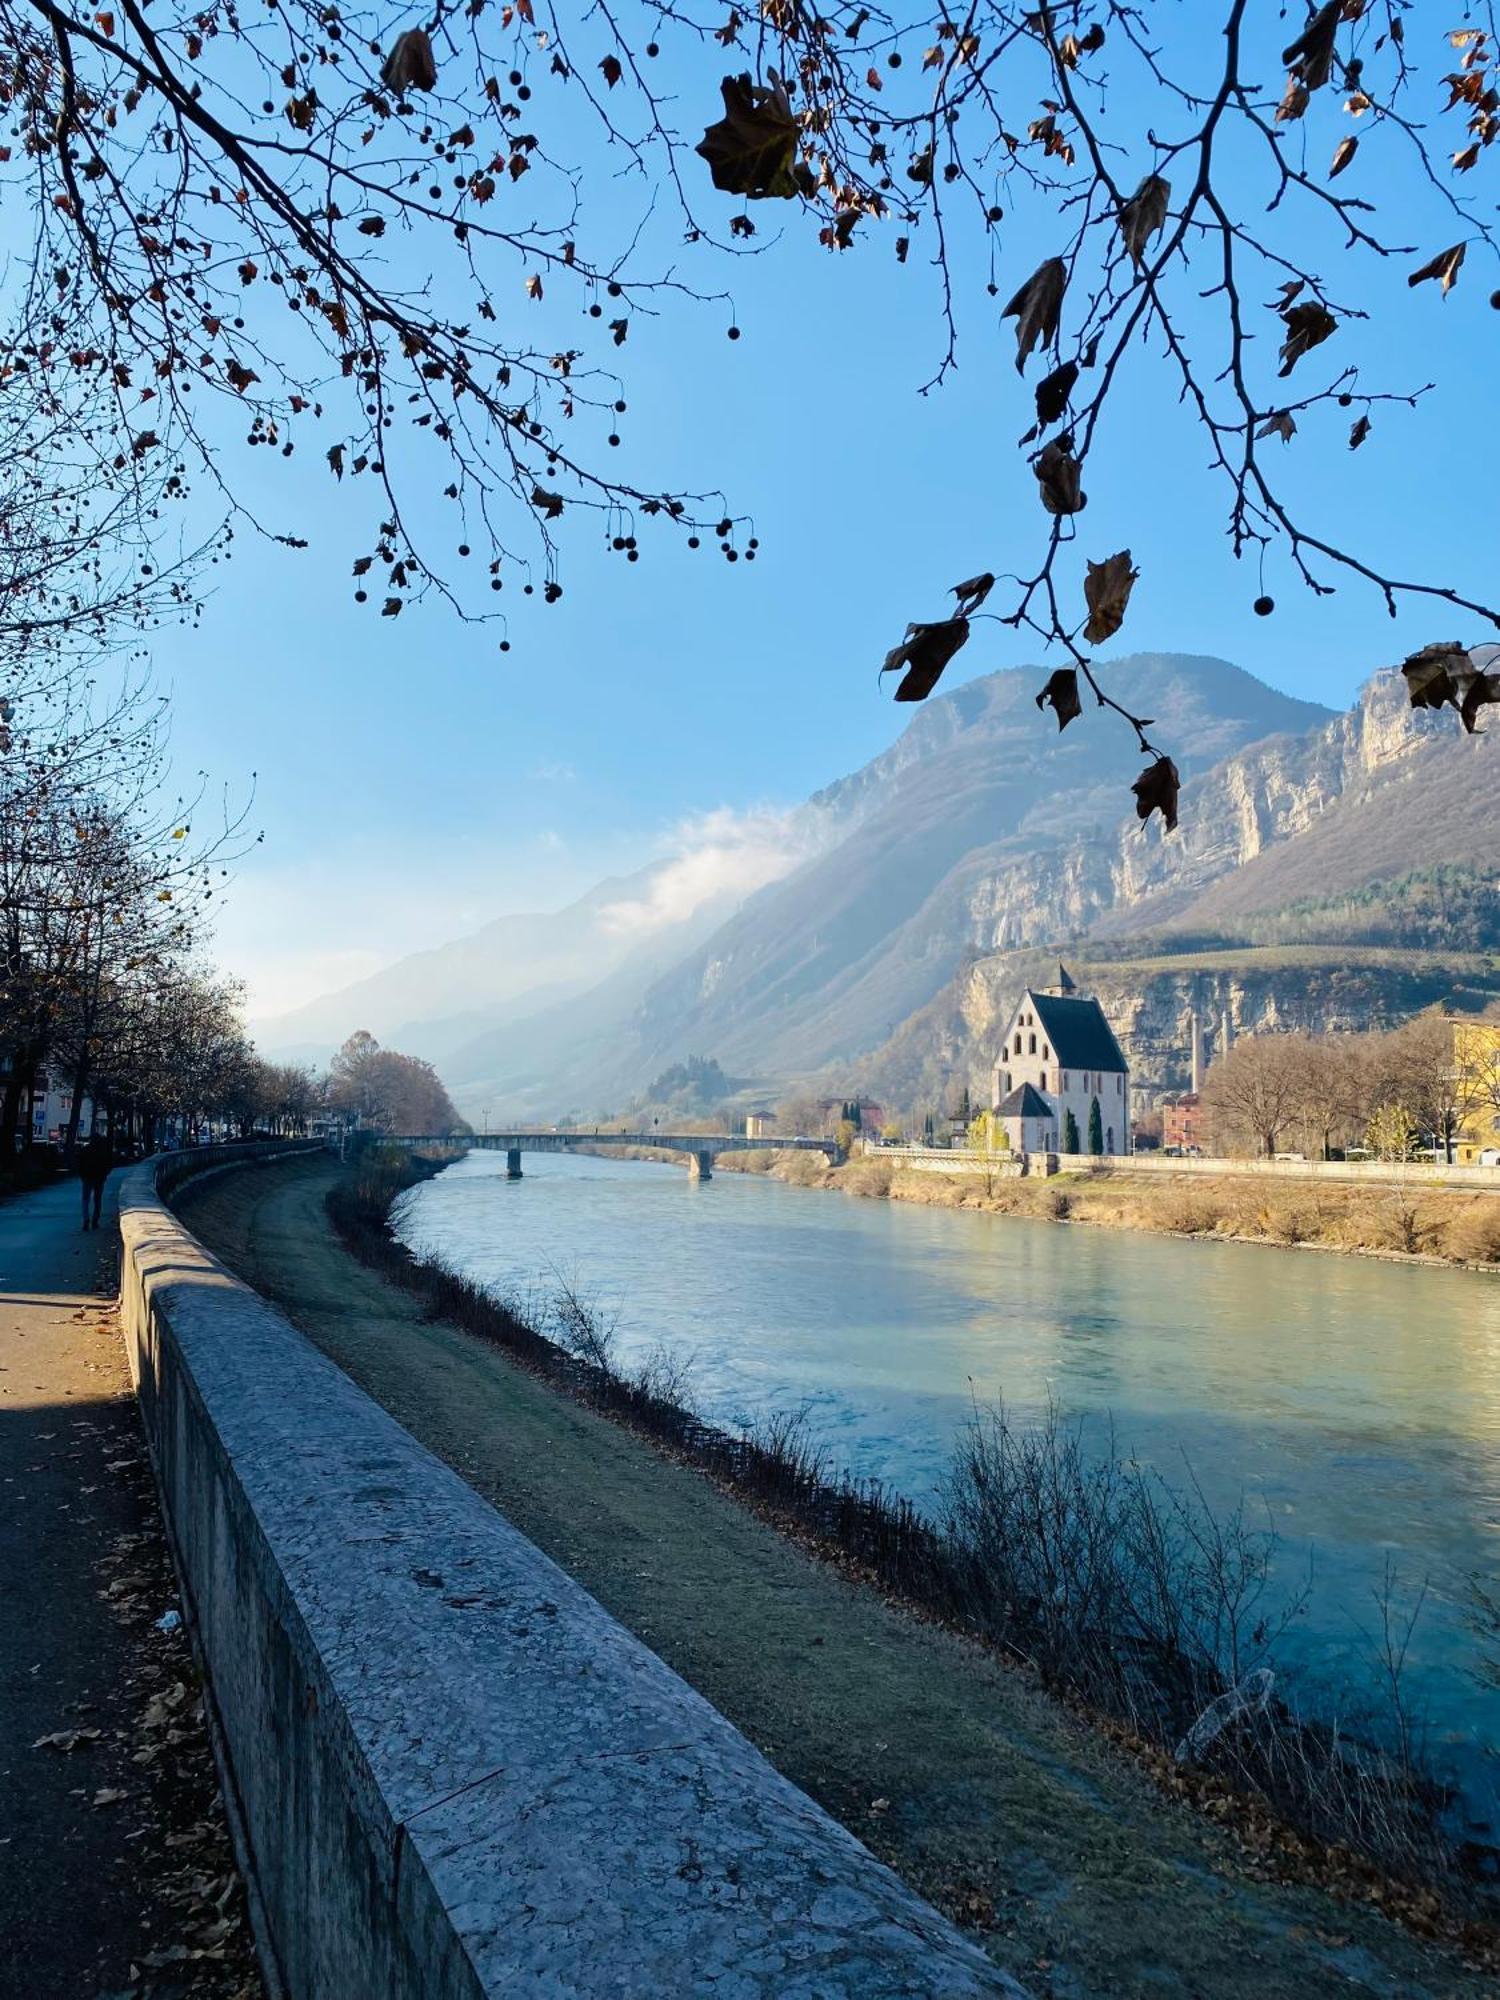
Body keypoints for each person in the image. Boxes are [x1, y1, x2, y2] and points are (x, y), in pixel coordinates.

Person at [78, 1128, 113, 1231]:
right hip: (99, 1178)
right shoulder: (103, 1152)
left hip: (87, 1177)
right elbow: (109, 1164)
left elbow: (79, 1163)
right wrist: (105, 1174)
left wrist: (82, 1175)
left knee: (85, 1199)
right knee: (97, 1200)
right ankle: (95, 1221)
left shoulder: (85, 1150)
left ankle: (86, 1219)